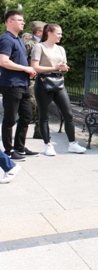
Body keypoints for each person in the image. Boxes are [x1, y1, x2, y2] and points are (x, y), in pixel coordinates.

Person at [31, 23, 87, 155]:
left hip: (59, 83)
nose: (60, 36)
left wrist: (64, 68)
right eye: (58, 33)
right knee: (44, 115)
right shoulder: (39, 47)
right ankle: (48, 145)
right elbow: (35, 67)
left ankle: (72, 143)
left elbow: (64, 66)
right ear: (49, 33)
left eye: (61, 33)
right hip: (44, 83)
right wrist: (54, 68)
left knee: (68, 114)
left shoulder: (61, 49)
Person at [0, 10, 38, 161]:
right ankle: (9, 151)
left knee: (27, 116)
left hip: (23, 84)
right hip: (11, 85)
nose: (23, 22)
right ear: (10, 21)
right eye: (20, 20)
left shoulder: (19, 40)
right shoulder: (6, 40)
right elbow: (3, 61)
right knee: (10, 119)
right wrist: (25, 68)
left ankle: (19, 147)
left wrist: (29, 70)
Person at [23, 20, 45, 139]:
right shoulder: (28, 43)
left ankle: (39, 131)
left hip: (42, 78)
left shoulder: (44, 44)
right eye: (44, 30)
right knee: (33, 104)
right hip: (31, 79)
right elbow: (22, 60)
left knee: (41, 104)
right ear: (38, 31)